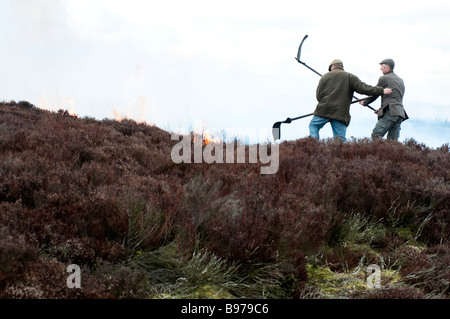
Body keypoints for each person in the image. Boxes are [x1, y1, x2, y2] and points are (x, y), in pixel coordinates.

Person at [309, 59, 392, 142]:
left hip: (324, 110)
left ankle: (314, 146)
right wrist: (382, 91)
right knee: (340, 141)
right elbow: (365, 89)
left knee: (313, 126)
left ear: (332, 66)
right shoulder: (350, 77)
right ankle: (340, 154)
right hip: (340, 113)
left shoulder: (325, 77)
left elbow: (319, 96)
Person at [360, 58, 408, 141]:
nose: (380, 69)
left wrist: (365, 102)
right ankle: (391, 154)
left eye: (382, 67)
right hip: (400, 113)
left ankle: (379, 153)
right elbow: (395, 98)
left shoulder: (384, 78)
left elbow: (376, 93)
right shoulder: (401, 80)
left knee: (376, 134)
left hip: (391, 112)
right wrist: (382, 109)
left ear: (387, 68)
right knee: (392, 141)